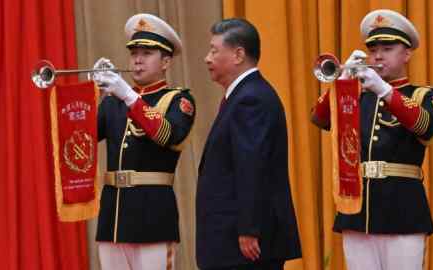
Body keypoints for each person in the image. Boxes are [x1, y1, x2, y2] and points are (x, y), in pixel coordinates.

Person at [311, 9, 433, 270]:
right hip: (358, 211)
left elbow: (426, 127)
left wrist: (384, 90)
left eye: (388, 48)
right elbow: (319, 118)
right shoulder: (357, 97)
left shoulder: (422, 94)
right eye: (373, 49)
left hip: (402, 209)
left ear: (406, 54)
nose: (378, 55)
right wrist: (342, 82)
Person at [196, 18, 302, 270]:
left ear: (238, 54)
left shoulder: (251, 98)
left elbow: (251, 167)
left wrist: (248, 229)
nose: (206, 58)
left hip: (244, 245)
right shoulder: (244, 95)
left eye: (214, 50)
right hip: (233, 241)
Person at [92, 13, 195, 270]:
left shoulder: (178, 100)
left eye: (147, 53)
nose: (137, 59)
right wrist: (92, 93)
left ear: (166, 61)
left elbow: (167, 134)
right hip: (113, 217)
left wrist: (127, 94)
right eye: (134, 52)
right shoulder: (115, 100)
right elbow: (82, 138)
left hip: (153, 217)